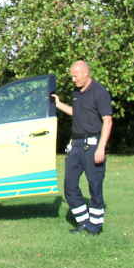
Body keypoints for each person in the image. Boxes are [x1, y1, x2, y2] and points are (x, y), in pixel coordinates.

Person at [51, 60, 113, 235]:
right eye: (72, 75)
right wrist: (59, 104)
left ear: (85, 73)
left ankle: (95, 226)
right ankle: (84, 222)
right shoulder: (76, 92)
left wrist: (101, 148)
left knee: (95, 186)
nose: (73, 79)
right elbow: (77, 113)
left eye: (75, 75)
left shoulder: (100, 92)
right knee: (69, 187)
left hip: (93, 145)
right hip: (76, 146)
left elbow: (108, 121)